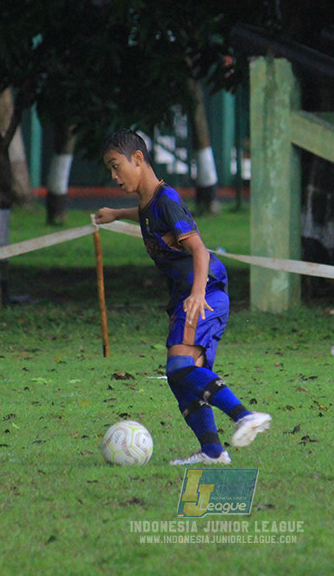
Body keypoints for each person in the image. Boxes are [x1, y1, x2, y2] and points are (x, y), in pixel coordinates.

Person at [94, 129, 271, 465]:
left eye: (116, 167)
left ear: (138, 159)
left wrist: (198, 293)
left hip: (204, 293)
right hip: (189, 296)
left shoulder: (167, 200)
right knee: (183, 382)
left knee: (178, 367)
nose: (114, 176)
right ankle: (212, 452)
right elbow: (148, 218)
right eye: (110, 170)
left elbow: (199, 249)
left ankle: (245, 416)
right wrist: (116, 214)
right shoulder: (150, 203)